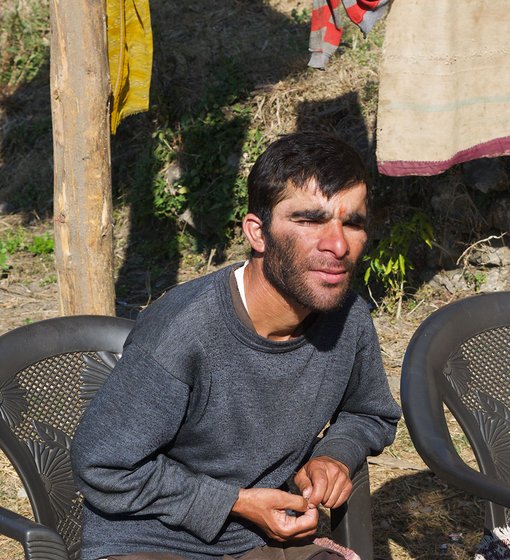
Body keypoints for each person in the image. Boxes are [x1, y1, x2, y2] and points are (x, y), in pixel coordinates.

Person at [72, 131, 401, 560]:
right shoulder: (182, 331)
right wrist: (236, 501)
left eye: (352, 223)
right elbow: (102, 465)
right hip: (151, 542)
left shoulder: (348, 318)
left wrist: (334, 456)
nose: (337, 245)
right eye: (308, 220)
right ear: (257, 233)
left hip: (260, 540)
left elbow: (369, 413)